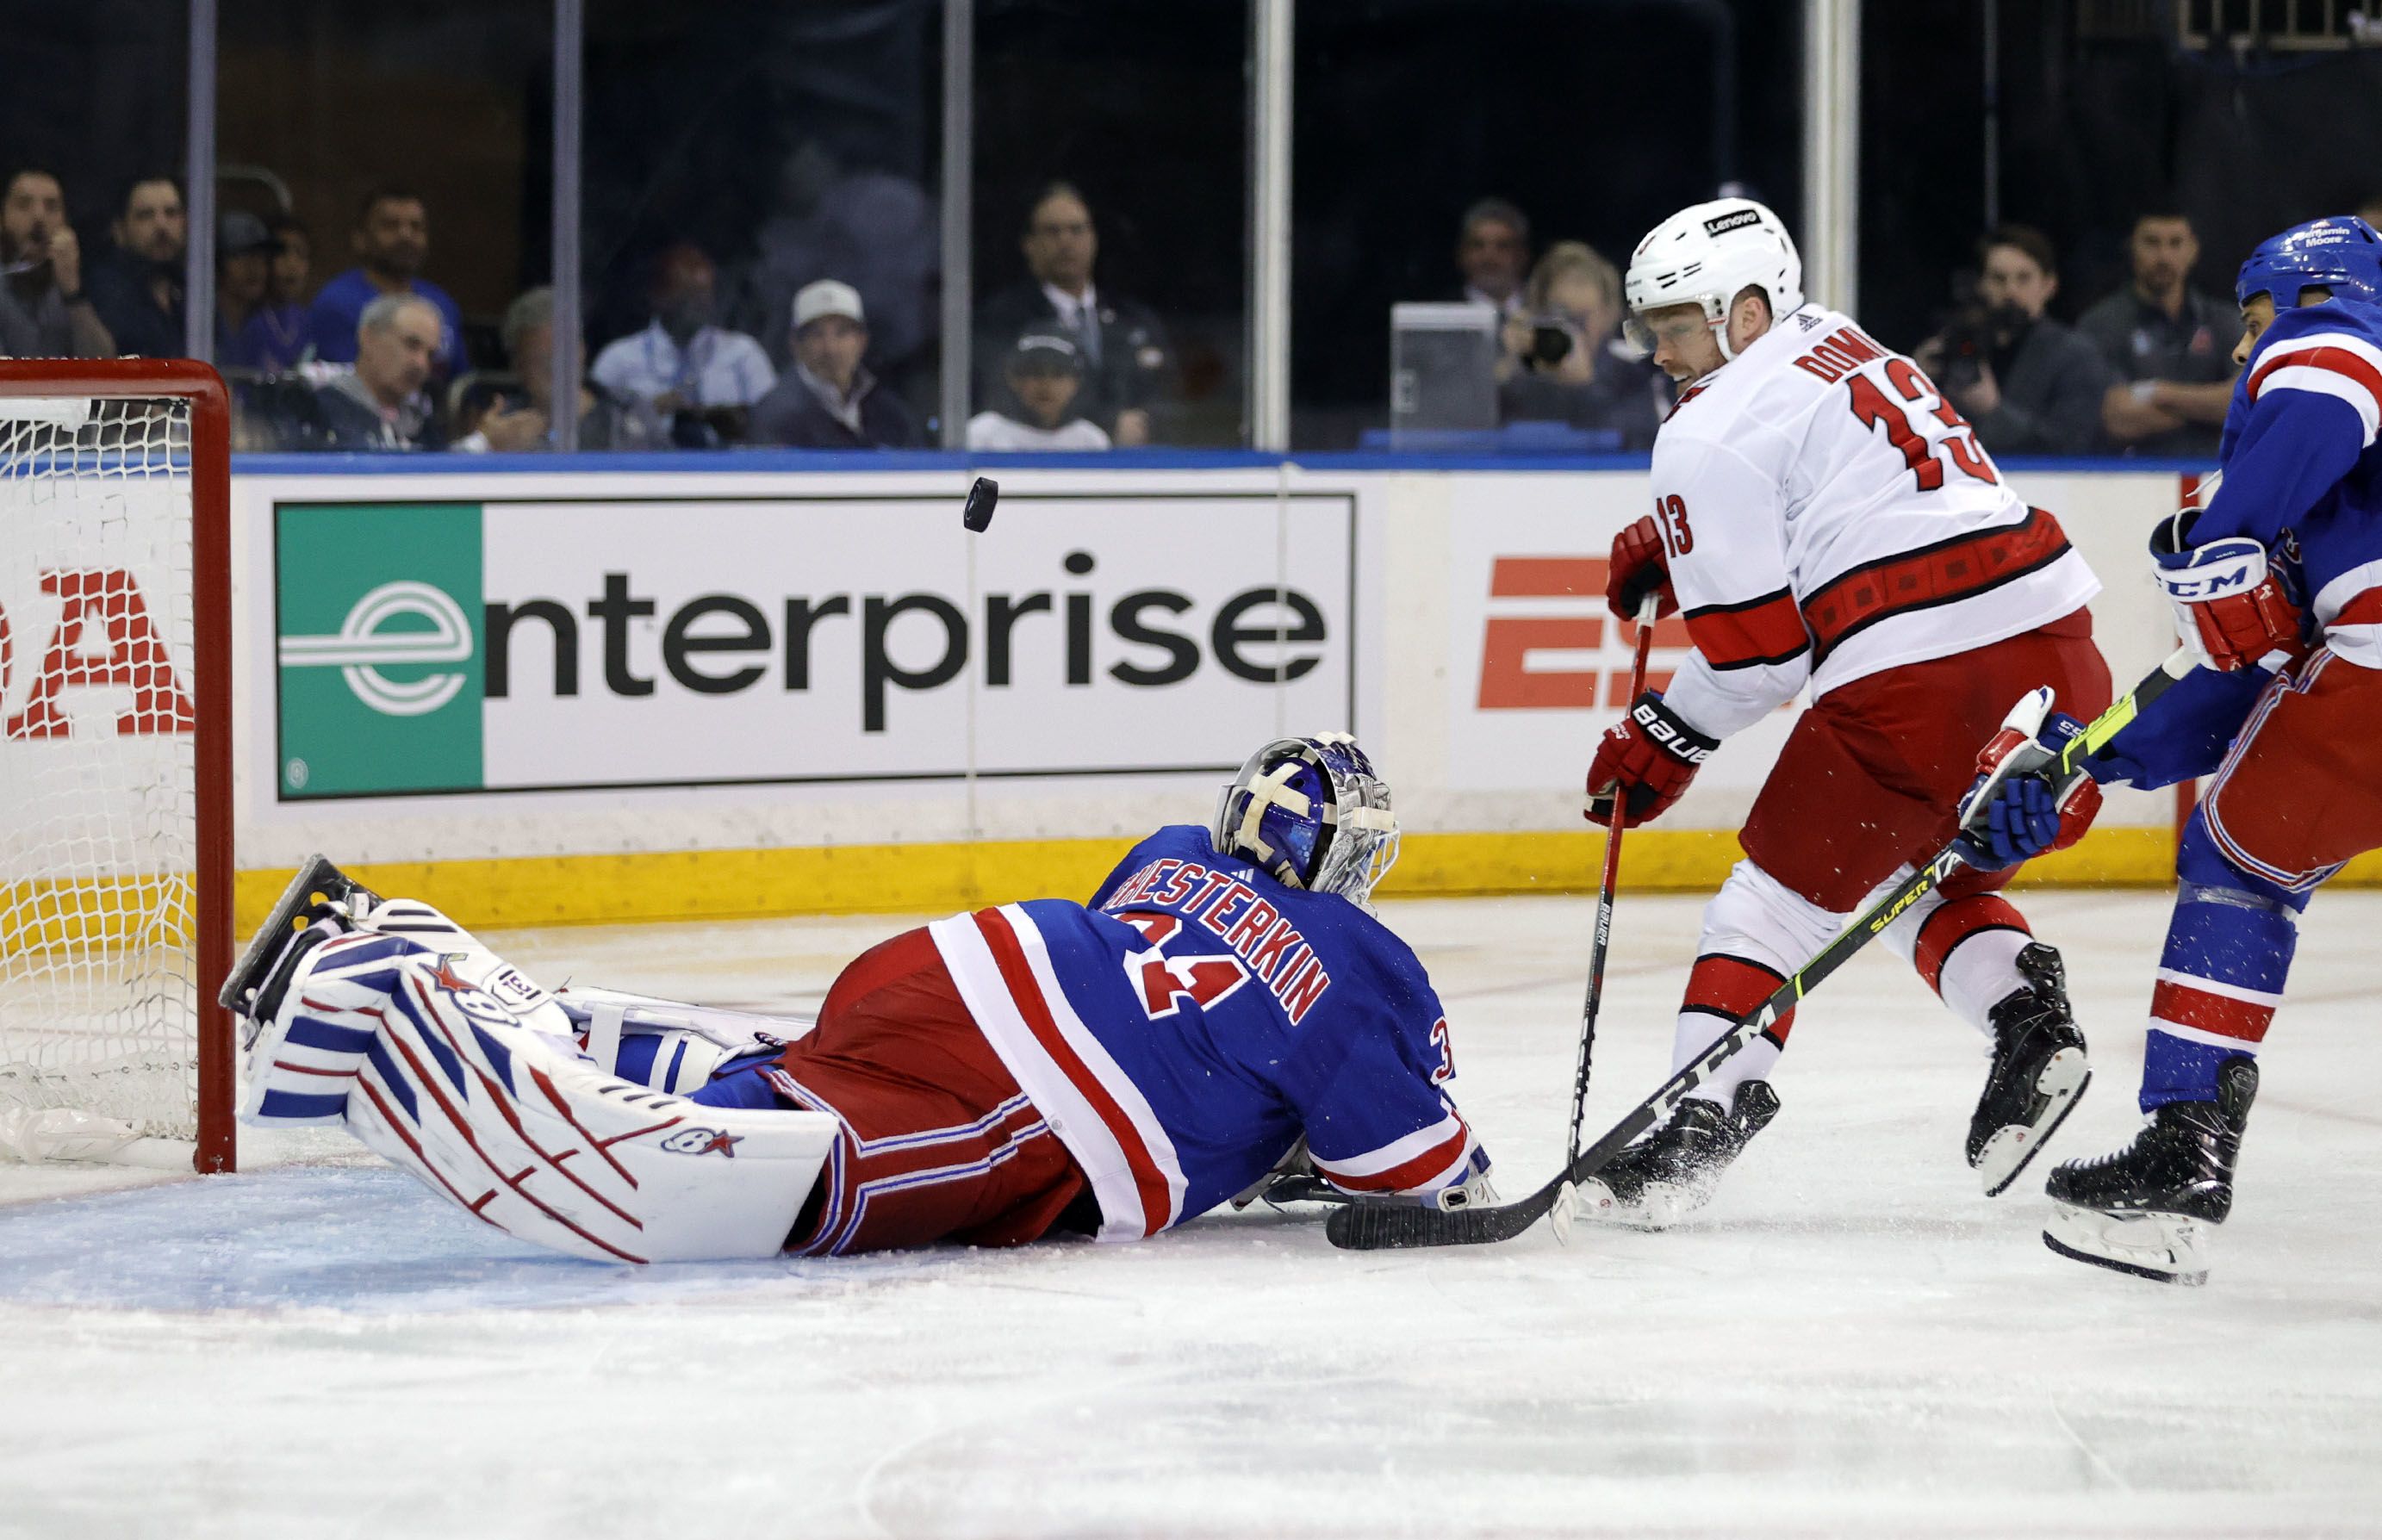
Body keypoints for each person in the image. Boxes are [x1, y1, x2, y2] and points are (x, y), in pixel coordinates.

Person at [219, 735, 1493, 1262]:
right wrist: (1473, 1166)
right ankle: (389, 1006)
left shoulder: (1172, 848)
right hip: (1038, 1107)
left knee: (807, 1070)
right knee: (801, 1173)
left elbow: (1151, 970)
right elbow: (1412, 1167)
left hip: (951, 962)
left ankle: (446, 964)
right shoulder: (1361, 960)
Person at [1573, 197, 2112, 1228]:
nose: (1657, 352)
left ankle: (1696, 1125)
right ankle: (2026, 1022)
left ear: (1741, 311)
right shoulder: (1842, 339)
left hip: (1917, 681)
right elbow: (1827, 479)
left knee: (1765, 908)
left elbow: (1758, 661)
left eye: (1675, 325)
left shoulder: (1698, 433)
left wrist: (1659, 737)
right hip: (2055, 652)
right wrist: (1679, 542)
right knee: (1908, 871)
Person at [1958, 216, 2382, 1286]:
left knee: (2238, 867)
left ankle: (2181, 1154)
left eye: (2251, 322)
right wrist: (2085, 757)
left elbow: (2330, 364)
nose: (2242, 351)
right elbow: (2241, 686)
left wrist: (2234, 530)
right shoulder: (2330, 496)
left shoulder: (2333, 338)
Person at [974, 183, 1169, 446]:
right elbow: (1005, 398)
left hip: (1131, 472)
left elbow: (1166, 398)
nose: (1066, 241)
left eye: (1077, 230)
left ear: (1094, 238)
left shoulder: (1134, 320)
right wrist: (1108, 424)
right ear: (1029, 244)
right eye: (1053, 231)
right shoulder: (1002, 320)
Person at [1914, 226, 2114, 457]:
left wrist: (1992, 411)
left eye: (2024, 278)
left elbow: (2070, 445)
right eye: (1998, 279)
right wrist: (1915, 379)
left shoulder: (2076, 356)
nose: (2010, 291)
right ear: (1981, 284)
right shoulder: (1961, 344)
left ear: (2049, 285)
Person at [2080, 211, 2242, 459]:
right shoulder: (2100, 325)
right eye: (2152, 243)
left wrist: (2158, 392)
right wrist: (2209, 408)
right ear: (2132, 249)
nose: (2164, 256)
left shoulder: (2225, 320)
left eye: (2175, 243)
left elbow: (2245, 402)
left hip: (2214, 474)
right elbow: (2116, 418)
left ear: (2193, 250)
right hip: (2126, 478)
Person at [589, 243, 775, 449]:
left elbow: (774, 426)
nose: (701, 304)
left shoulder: (743, 354)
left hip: (730, 473)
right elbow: (595, 431)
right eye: (688, 295)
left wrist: (736, 422)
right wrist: (648, 411)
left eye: (705, 294)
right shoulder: (619, 360)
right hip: (645, 473)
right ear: (657, 296)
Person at [1496, 240, 1666, 450]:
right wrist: (1508, 369)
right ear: (1539, 314)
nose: (1574, 331)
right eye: (1562, 317)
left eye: (1581, 318)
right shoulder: (1520, 378)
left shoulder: (1630, 379)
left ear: (1608, 314)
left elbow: (1638, 445)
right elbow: (1485, 436)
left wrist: (1584, 388)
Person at [451, 287, 662, 453]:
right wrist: (486, 444)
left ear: (582, 351)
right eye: (541, 360)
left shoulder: (628, 413)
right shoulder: (506, 425)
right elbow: (448, 480)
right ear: (518, 366)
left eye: (563, 354)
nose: (556, 369)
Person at [304, 188, 466, 375]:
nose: (406, 235)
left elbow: (461, 385)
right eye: (390, 225)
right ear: (361, 238)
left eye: (416, 226)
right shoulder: (337, 302)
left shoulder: (442, 303)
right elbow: (345, 389)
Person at [748, 278, 924, 449]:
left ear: (862, 341)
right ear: (796, 345)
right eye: (817, 335)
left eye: (842, 333)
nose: (831, 348)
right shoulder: (774, 415)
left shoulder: (892, 414)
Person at [272, 292, 447, 450]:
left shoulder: (424, 429)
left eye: (430, 355)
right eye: (411, 344)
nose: (421, 364)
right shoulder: (317, 415)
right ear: (368, 338)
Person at [0, 167, 112, 357]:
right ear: (2, 218)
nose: (39, 216)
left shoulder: (83, 283)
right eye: (24, 205)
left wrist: (73, 294)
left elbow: (104, 364)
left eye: (51, 207)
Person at [84, 175, 187, 358]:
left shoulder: (193, 290)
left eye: (171, 213)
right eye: (146, 215)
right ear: (119, 230)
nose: (162, 225)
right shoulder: (105, 292)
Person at [967, 331, 1112, 450]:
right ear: (1013, 379)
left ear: (1075, 383)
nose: (1046, 384)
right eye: (1035, 373)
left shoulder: (1090, 440)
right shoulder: (982, 434)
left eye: (1058, 374)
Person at [229, 213, 314, 372]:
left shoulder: (307, 321)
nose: (292, 264)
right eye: (282, 253)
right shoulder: (246, 320)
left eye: (301, 253)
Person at [213, 212, 277, 360]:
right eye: (242, 255)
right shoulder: (198, 322)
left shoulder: (266, 323)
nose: (254, 267)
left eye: (261, 256)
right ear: (218, 263)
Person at [1455, 197, 1532, 319]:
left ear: (1522, 254)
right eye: (1478, 245)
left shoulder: (1545, 310)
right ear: (1462, 253)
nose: (1489, 256)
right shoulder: (1437, 312)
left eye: (1503, 246)